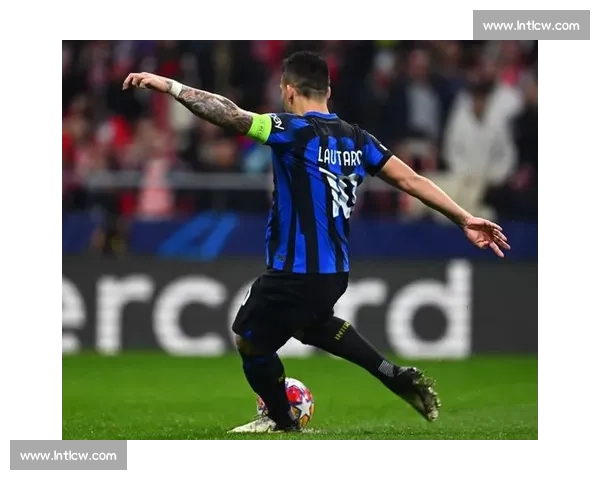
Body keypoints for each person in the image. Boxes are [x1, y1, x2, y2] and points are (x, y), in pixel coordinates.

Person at [123, 51, 510, 433]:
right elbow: (411, 180)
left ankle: (282, 421)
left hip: (295, 270)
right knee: (312, 325)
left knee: (249, 340)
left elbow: (229, 114)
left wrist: (171, 86)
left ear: (289, 90)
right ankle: (389, 372)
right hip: (334, 272)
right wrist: (464, 217)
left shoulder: (291, 129)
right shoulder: (357, 139)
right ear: (328, 90)